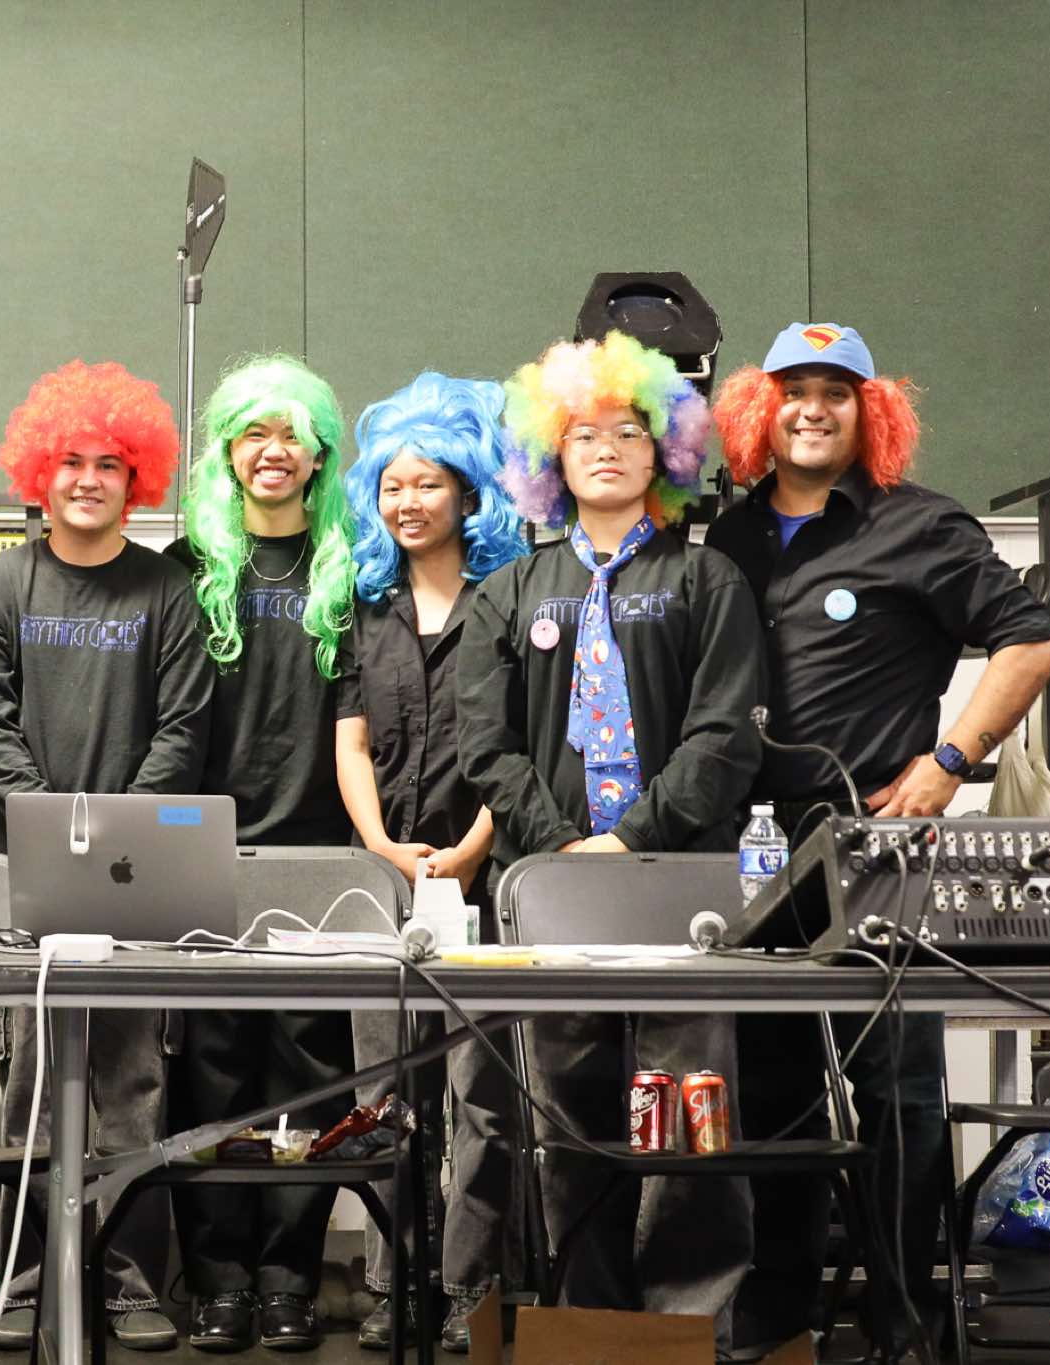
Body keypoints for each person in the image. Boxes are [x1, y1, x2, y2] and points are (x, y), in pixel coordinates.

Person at [707, 323, 1050, 1357]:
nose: (812, 408)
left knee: (896, 1093)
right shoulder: (729, 536)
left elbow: (1031, 640)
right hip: (751, 853)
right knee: (770, 1093)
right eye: (793, 390)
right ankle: (778, 1307)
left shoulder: (920, 524)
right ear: (761, 410)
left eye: (837, 391)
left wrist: (948, 762)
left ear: (872, 413)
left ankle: (906, 1316)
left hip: (880, 853)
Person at [455, 332, 764, 1350]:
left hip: (683, 891)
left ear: (663, 453)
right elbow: (484, 744)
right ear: (552, 456)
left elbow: (724, 735)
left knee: (691, 1118)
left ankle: (691, 1329)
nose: (604, 449)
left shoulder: (706, 578)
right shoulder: (507, 590)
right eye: (582, 434)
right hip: (553, 895)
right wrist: (560, 849)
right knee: (569, 1122)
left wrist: (631, 839)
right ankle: (589, 1325)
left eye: (627, 432)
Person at [0, 359, 212, 1352]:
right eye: (70, 461)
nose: (89, 479)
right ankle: (29, 1275)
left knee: (131, 1082)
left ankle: (129, 1276)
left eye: (109, 463)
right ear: (40, 471)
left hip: (136, 875)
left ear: (135, 477)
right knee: (30, 1082)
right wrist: (50, 824)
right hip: (29, 870)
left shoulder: (165, 590)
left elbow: (182, 726)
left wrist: (114, 836)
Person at [164, 354, 356, 1354]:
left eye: (291, 435)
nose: (272, 452)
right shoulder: (184, 569)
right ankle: (219, 1279)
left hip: (319, 859)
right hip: (205, 855)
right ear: (227, 451)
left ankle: (289, 1279)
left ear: (318, 455)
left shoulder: (349, 570)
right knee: (211, 1075)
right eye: (253, 433)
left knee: (310, 1080)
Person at [336, 372, 528, 1352]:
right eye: (391, 486)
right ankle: (388, 1280)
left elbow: (519, 743)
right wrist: (379, 844)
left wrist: (469, 850)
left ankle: (467, 1288)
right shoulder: (364, 606)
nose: (407, 502)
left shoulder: (510, 599)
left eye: (427, 483)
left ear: (466, 490)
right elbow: (350, 740)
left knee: (480, 1098)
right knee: (383, 1095)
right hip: (383, 879)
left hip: (483, 879)